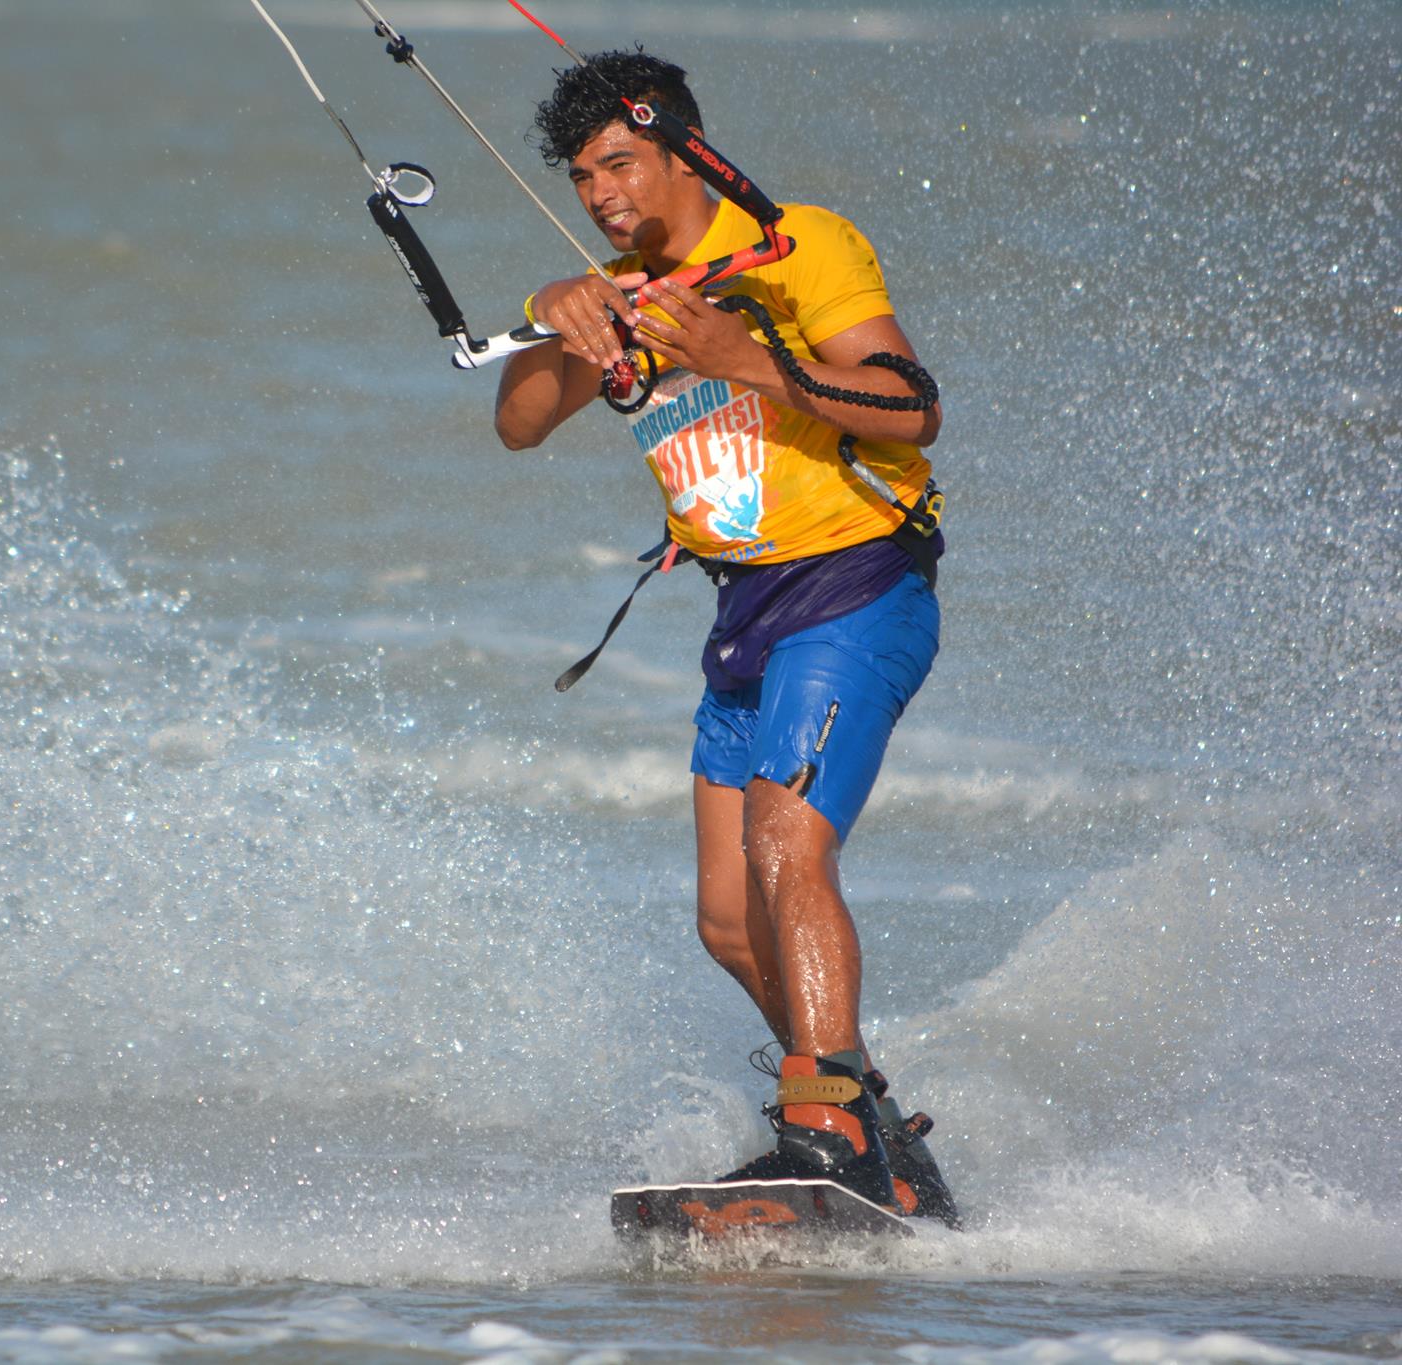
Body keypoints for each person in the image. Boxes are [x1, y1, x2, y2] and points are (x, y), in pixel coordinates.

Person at [493, 51, 957, 1222]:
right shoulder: (613, 296)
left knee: (785, 847)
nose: (599, 194)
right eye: (579, 177)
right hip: (742, 611)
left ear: (682, 151)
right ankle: (878, 1142)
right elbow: (518, 425)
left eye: (617, 164)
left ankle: (824, 1128)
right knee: (723, 919)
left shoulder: (799, 243)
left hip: (855, 579)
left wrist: (745, 359)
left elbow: (912, 406)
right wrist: (555, 312)